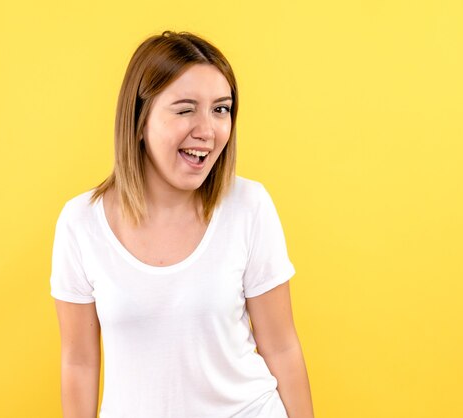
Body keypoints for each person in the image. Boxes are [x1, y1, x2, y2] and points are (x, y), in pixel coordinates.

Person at [50, 30, 314, 418]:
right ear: (140, 121)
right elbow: (79, 363)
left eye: (221, 109)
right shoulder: (80, 223)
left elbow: (282, 346)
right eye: (186, 108)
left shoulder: (249, 206)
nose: (207, 131)